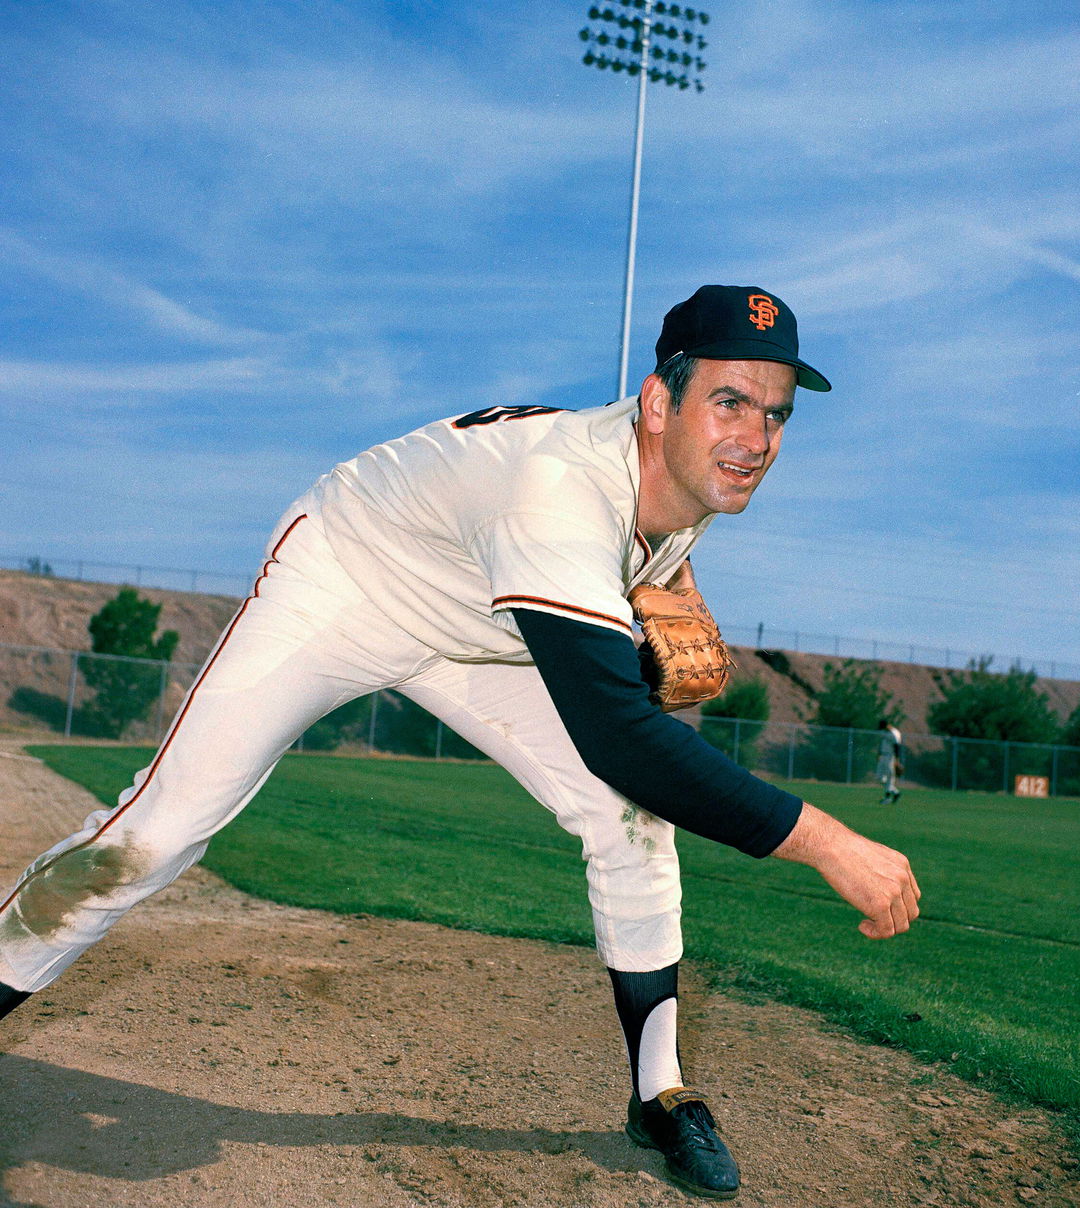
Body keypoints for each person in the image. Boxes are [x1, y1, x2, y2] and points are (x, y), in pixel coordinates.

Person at [0, 285, 919, 1199]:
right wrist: (831, 844)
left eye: (775, 413)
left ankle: (660, 1093)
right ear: (656, 401)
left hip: (478, 621)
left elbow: (616, 649)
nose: (755, 438)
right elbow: (620, 737)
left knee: (630, 822)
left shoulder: (690, 486)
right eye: (729, 401)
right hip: (350, 576)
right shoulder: (559, 490)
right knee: (159, 832)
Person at [877, 720, 904, 804]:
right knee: (879, 778)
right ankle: (896, 792)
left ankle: (887, 798)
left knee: (889, 776)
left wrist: (897, 760)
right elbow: (881, 744)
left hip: (890, 756)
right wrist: (878, 754)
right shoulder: (884, 732)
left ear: (888, 725)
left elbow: (897, 747)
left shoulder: (895, 733)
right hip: (883, 756)